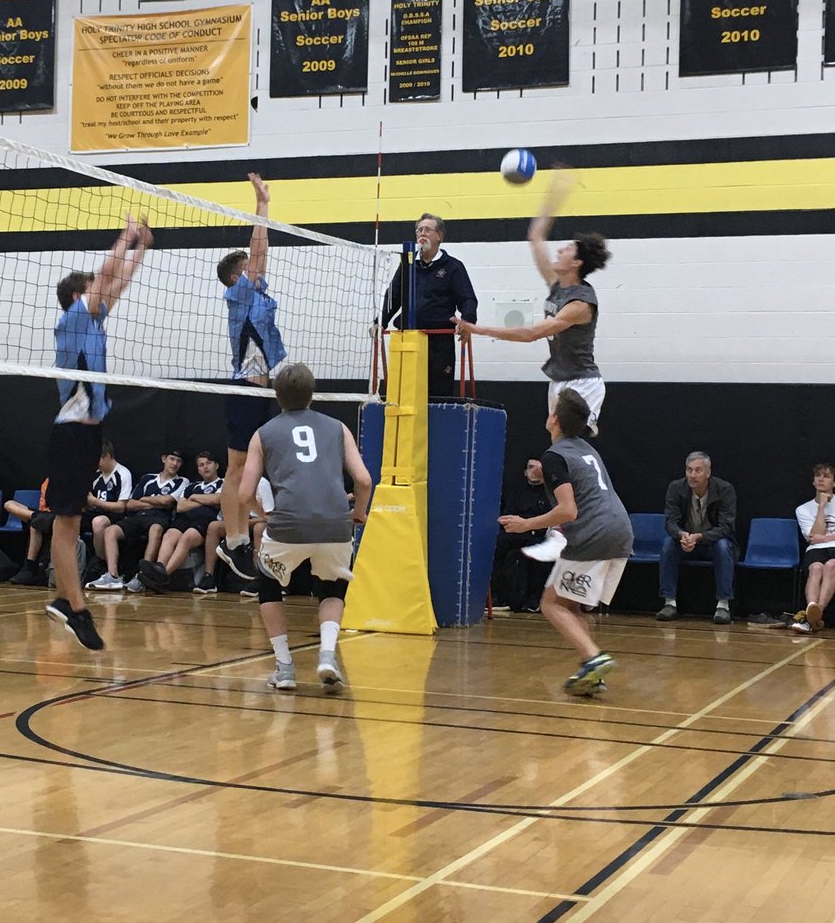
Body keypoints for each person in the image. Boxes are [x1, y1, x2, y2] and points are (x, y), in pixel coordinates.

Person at [453, 167, 611, 563]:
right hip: (559, 382)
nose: (559, 251)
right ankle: (565, 528)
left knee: (566, 454)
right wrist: (554, 193)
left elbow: (531, 334)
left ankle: (563, 530)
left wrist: (476, 327)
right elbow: (536, 236)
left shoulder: (580, 302)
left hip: (583, 383)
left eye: (566, 250)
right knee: (559, 452)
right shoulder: (559, 286)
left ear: (576, 264)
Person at [45, 215, 153, 648]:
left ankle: (62, 601)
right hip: (70, 433)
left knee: (69, 523)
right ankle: (77, 608)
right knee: (66, 524)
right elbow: (108, 273)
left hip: (87, 434)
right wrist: (127, 234)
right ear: (77, 295)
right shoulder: (73, 321)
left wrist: (142, 249)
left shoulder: (93, 322)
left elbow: (118, 282)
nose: (104, 292)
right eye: (92, 288)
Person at [239, 363, 372, 693]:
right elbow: (364, 480)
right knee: (332, 586)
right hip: (335, 524)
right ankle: (327, 655)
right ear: (312, 394)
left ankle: (285, 667)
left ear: (277, 395)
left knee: (268, 584)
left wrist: (263, 513)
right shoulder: (338, 427)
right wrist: (358, 512)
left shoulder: (263, 433)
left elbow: (243, 494)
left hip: (288, 526)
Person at [499, 389, 632, 697]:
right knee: (570, 607)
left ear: (555, 419)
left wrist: (526, 524)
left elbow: (568, 510)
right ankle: (592, 672)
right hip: (620, 529)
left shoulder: (554, 456)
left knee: (551, 604)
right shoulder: (584, 448)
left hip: (594, 534)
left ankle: (595, 657)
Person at [215, 173, 283, 583]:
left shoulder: (255, 295)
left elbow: (260, 261)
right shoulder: (238, 294)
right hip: (242, 388)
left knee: (251, 468)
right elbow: (259, 256)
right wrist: (262, 207)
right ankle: (234, 539)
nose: (257, 270)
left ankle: (244, 534)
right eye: (248, 269)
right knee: (236, 468)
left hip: (261, 390)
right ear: (236, 277)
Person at [379, 213, 478, 397]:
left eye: (427, 230)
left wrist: (467, 321)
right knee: (404, 394)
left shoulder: (453, 267)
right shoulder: (407, 265)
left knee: (437, 392)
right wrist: (380, 322)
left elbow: (468, 299)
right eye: (419, 230)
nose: (422, 233)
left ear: (439, 235)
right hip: (407, 339)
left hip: (439, 343)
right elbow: (393, 296)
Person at [656, 452, 738, 625]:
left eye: (698, 470)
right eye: (689, 470)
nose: (692, 475)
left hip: (712, 544)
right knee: (668, 543)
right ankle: (669, 603)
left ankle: (723, 605)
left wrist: (700, 537)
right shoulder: (675, 488)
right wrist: (682, 535)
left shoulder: (725, 489)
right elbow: (670, 522)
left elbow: (726, 527)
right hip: (686, 542)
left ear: (708, 473)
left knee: (723, 546)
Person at [89, 450, 187, 591]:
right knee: (111, 530)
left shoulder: (182, 481)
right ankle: (113, 575)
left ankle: (142, 576)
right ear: (164, 459)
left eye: (178, 461)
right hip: (138, 516)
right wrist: (155, 501)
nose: (175, 464)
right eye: (172, 459)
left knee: (156, 529)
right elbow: (130, 504)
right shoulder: (148, 478)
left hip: (159, 518)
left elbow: (167, 501)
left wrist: (146, 499)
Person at [138, 451, 223, 593]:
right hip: (185, 518)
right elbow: (181, 506)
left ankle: (163, 576)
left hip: (205, 520)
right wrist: (204, 500)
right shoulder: (192, 485)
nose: (205, 467)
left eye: (208, 463)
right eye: (201, 465)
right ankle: (159, 567)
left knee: (186, 538)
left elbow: (218, 500)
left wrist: (195, 498)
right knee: (169, 535)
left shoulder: (223, 482)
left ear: (216, 465)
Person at [491, 457, 553, 613]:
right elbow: (507, 515)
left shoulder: (550, 494)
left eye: (538, 468)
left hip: (538, 535)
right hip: (515, 534)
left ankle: (533, 599)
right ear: (525, 472)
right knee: (498, 545)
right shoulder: (517, 492)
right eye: (531, 467)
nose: (534, 471)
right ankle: (499, 597)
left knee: (538, 553)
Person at [789, 463, 835, 636]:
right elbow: (813, 536)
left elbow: (819, 536)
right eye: (818, 476)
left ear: (834, 482)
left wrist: (824, 537)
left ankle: (809, 619)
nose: (821, 479)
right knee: (816, 568)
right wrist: (822, 507)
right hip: (815, 550)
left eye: (826, 476)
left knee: (832, 565)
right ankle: (814, 616)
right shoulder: (803, 509)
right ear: (813, 482)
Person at [81, 440, 132, 569]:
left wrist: (96, 502)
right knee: (69, 518)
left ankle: (100, 563)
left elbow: (121, 507)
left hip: (114, 515)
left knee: (98, 522)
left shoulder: (123, 474)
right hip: (94, 511)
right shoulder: (96, 475)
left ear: (108, 456)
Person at [7, 478, 54, 586]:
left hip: (57, 515)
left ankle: (30, 566)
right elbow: (43, 505)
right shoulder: (48, 480)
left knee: (35, 525)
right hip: (42, 514)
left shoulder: (69, 479)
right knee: (9, 504)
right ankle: (35, 516)